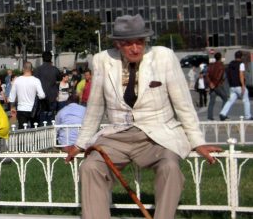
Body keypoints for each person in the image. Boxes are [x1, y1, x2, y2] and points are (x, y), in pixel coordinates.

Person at [65, 14, 221, 219]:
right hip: (117, 135)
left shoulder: (163, 56)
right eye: (128, 43)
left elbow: (183, 104)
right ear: (117, 44)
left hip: (157, 136)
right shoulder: (102, 60)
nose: (135, 48)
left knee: (170, 168)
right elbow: (95, 107)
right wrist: (81, 143)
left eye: (140, 42)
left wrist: (197, 142)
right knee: (90, 167)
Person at [9, 62, 45, 129]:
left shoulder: (17, 80)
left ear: (23, 69)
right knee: (35, 129)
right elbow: (42, 95)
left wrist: (12, 107)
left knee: (22, 129)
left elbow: (12, 96)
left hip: (21, 108)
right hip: (33, 109)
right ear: (32, 69)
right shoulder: (36, 80)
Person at [219, 50, 252, 121]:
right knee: (246, 100)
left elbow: (228, 74)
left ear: (235, 56)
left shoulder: (230, 64)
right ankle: (248, 116)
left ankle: (223, 113)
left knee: (230, 100)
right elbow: (241, 75)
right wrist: (243, 85)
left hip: (232, 86)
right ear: (241, 57)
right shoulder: (241, 64)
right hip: (239, 85)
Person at [34, 51, 61, 124]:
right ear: (51, 58)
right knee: (52, 118)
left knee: (41, 118)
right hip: (52, 97)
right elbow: (59, 79)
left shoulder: (37, 70)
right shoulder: (55, 69)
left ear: (42, 58)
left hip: (41, 97)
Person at [207, 52, 230, 120]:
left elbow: (207, 75)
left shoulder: (211, 66)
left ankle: (210, 116)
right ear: (220, 58)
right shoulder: (221, 66)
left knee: (212, 101)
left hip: (212, 85)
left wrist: (210, 83)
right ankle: (222, 114)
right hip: (217, 85)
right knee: (225, 98)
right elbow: (219, 77)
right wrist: (214, 84)